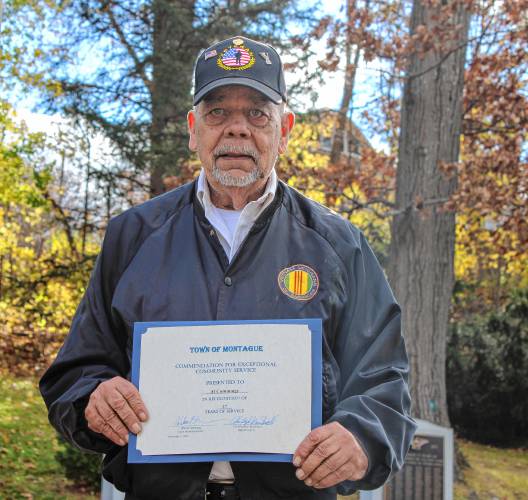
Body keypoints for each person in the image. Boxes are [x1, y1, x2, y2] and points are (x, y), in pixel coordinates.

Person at [40, 36, 416, 500]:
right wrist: (92, 398)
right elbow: (75, 370)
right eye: (218, 112)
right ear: (194, 128)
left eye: (258, 113)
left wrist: (361, 437)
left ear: (286, 130)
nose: (237, 129)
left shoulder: (340, 245)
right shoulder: (132, 236)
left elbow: (384, 378)